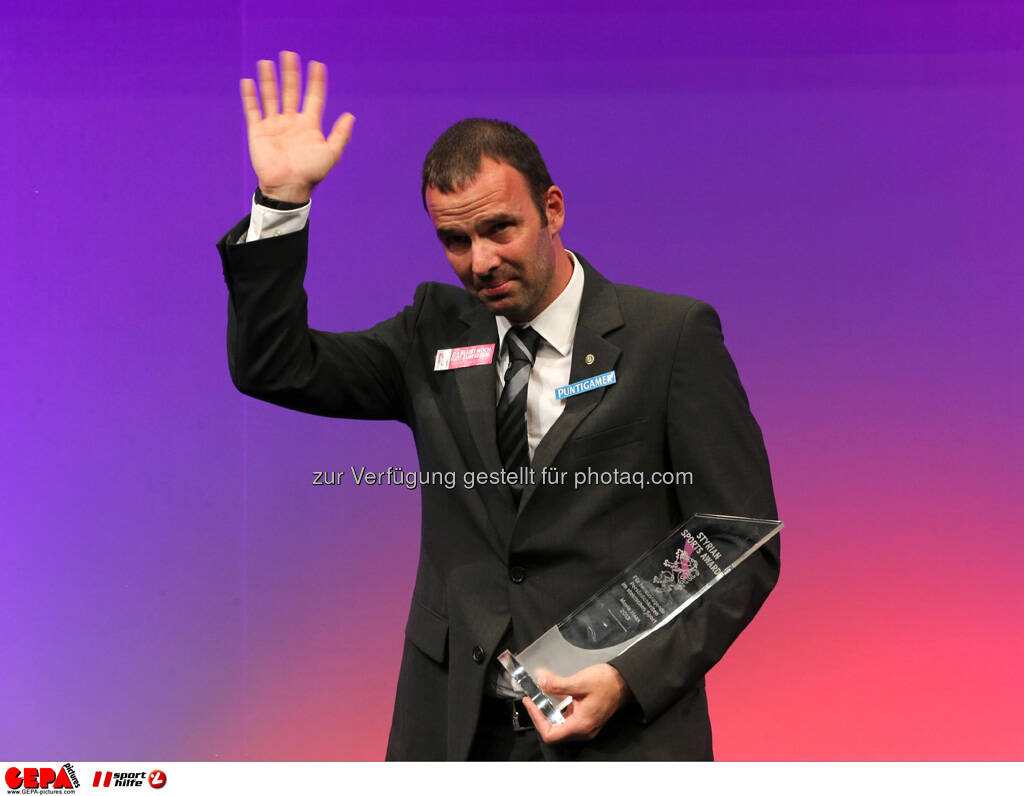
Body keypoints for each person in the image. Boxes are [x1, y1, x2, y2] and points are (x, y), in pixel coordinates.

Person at [218, 51, 780, 761]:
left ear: (553, 209)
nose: (478, 261)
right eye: (453, 239)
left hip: (621, 737)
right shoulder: (431, 334)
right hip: (455, 737)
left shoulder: (668, 337)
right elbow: (276, 367)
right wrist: (281, 205)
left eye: (498, 230)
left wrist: (626, 677)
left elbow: (738, 538)